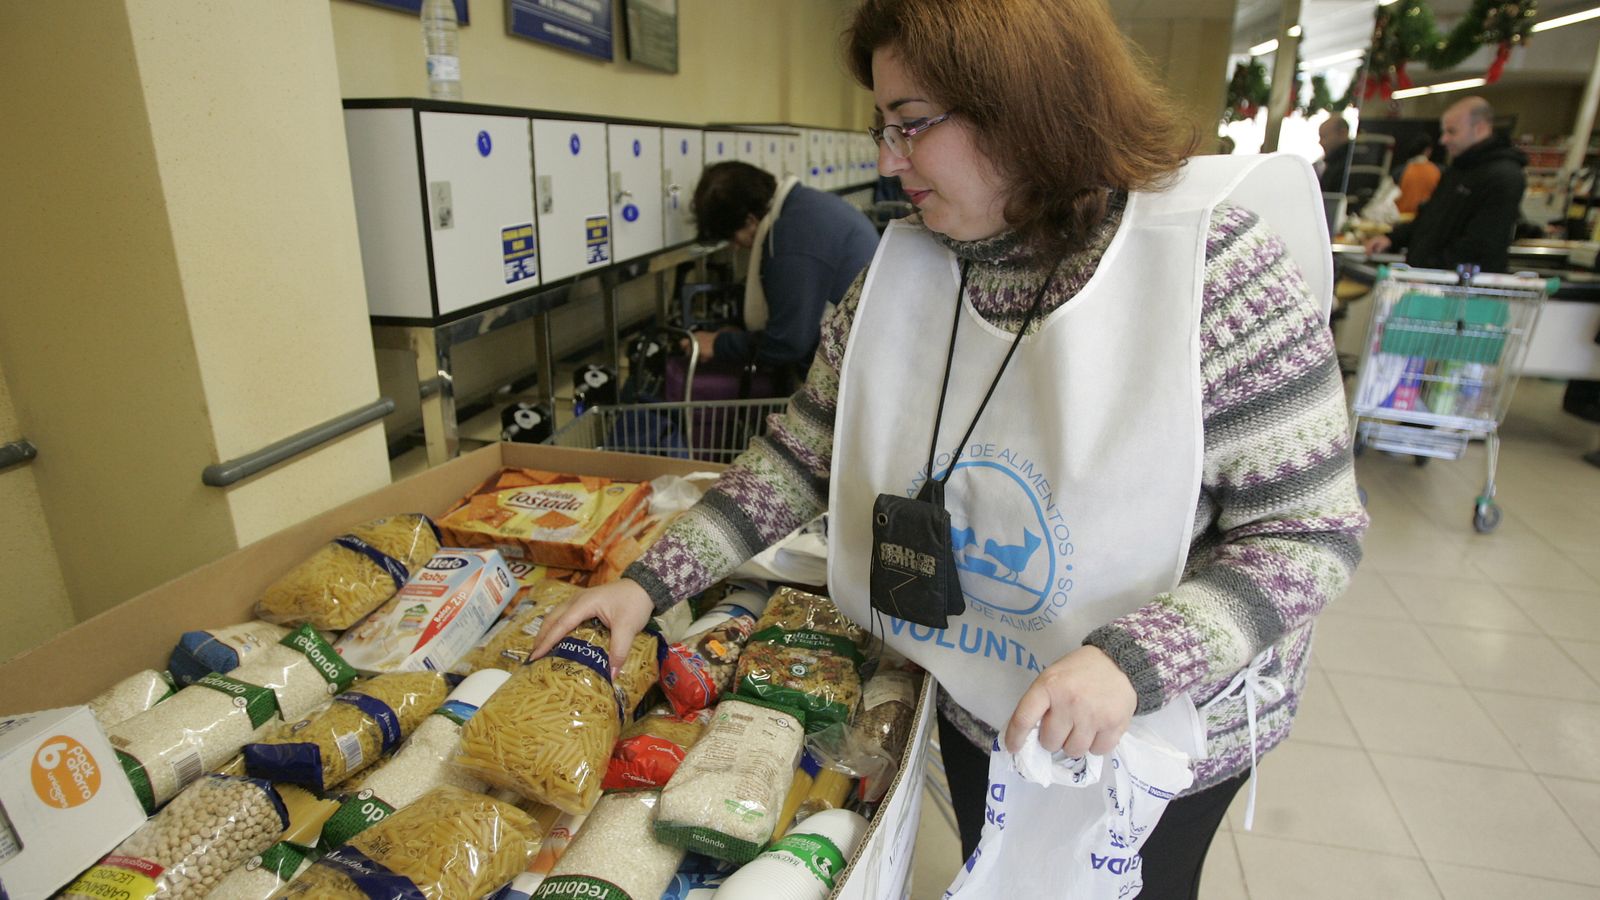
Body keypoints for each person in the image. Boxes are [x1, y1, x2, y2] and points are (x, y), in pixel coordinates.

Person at [532, 0, 1367, 896]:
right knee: (993, 867)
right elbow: (801, 458)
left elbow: (1309, 534)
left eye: (911, 125)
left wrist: (1136, 661)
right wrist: (645, 583)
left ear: (1025, 108)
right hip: (981, 694)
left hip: (1162, 731)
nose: (888, 161)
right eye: (881, 126)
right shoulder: (901, 275)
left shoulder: (1216, 272)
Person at [687, 160, 878, 374]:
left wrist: (718, 344)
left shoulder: (790, 234)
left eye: (733, 237)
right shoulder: (805, 205)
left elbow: (788, 343)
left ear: (750, 221)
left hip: (859, 367)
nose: (736, 247)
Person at [1365, 97, 1527, 272]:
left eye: (1452, 131)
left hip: (1460, 287)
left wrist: (1430, 267)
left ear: (1480, 129)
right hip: (1431, 278)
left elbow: (1481, 243)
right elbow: (1431, 217)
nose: (1443, 140)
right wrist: (1393, 239)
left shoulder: (1503, 176)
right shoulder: (1458, 169)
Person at [1394, 136, 1443, 215]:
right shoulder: (1438, 171)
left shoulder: (1398, 172)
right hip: (1428, 219)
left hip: (1401, 220)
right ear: (1428, 150)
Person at [1318, 115, 1353, 195]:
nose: (1320, 142)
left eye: (1323, 136)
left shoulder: (1346, 165)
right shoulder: (1334, 162)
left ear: (1343, 133)